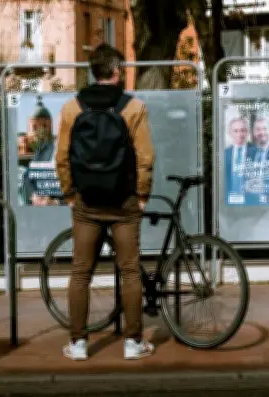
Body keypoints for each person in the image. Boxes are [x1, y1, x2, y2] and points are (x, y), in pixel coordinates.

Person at [55, 43, 155, 361]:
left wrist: (70, 194)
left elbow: (61, 158)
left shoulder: (73, 107)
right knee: (129, 271)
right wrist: (142, 195)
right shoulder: (133, 107)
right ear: (116, 71)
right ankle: (133, 342)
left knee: (81, 272)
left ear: (92, 72)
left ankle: (78, 343)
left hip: (86, 203)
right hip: (124, 202)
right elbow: (145, 157)